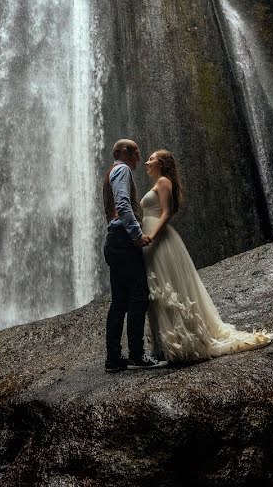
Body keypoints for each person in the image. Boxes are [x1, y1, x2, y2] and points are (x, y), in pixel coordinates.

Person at [141, 149, 273, 362]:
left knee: (166, 288)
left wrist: (151, 236)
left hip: (157, 239)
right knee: (157, 289)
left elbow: (166, 212)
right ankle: (163, 345)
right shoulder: (159, 183)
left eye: (151, 159)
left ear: (162, 163)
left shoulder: (164, 181)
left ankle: (180, 343)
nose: (147, 162)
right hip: (151, 239)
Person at [103, 139, 167, 372]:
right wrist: (137, 235)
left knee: (119, 301)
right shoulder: (122, 170)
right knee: (139, 295)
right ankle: (137, 354)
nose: (139, 158)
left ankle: (113, 358)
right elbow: (122, 203)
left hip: (114, 241)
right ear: (123, 153)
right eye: (136, 153)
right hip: (124, 241)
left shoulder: (111, 171)